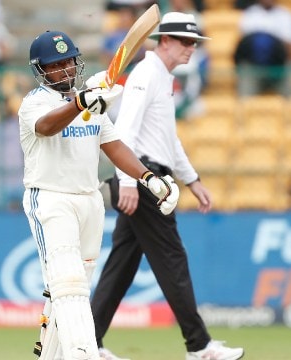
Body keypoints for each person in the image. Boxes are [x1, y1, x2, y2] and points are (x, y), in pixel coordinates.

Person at [90, 12, 244, 360]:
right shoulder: (147, 73)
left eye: (195, 42)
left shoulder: (160, 76)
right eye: (186, 41)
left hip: (147, 176)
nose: (192, 49)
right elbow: (124, 129)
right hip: (144, 179)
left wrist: (192, 179)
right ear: (166, 41)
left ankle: (86, 343)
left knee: (121, 266)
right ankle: (199, 346)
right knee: (171, 259)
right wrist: (128, 181)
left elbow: (167, 140)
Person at [19, 30, 179, 360]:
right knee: (69, 286)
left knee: (67, 294)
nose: (64, 70)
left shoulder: (92, 100)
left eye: (68, 62)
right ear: (41, 70)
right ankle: (86, 354)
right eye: (55, 65)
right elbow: (47, 127)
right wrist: (81, 102)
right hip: (51, 199)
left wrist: (148, 178)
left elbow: (114, 146)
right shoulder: (34, 103)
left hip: (89, 201)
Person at [234, 0, 291, 97]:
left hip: (278, 65)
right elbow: (244, 44)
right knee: (244, 95)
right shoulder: (250, 13)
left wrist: (271, 45)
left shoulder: (285, 15)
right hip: (253, 66)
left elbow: (290, 45)